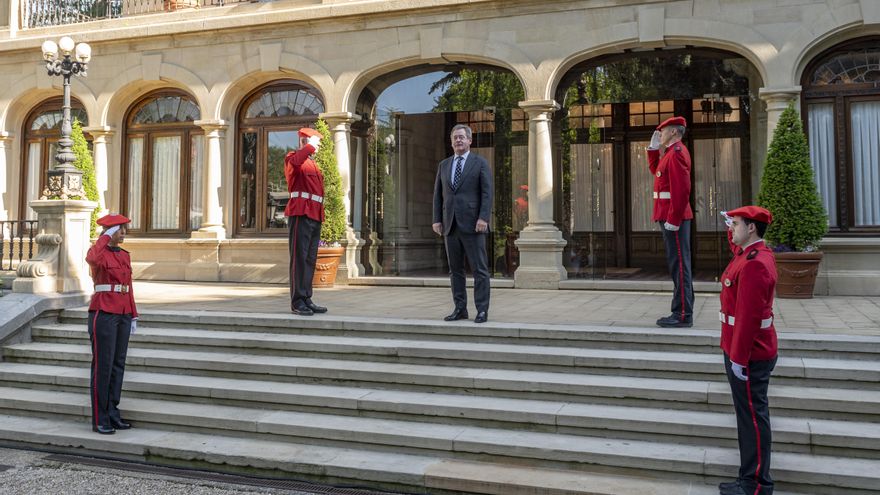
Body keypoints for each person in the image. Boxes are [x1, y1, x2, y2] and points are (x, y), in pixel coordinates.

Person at [717, 206, 778, 495]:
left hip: (749, 353)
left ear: (751, 227)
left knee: (753, 419)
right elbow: (737, 246)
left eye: (736, 223)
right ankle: (747, 477)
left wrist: (738, 359)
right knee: (747, 418)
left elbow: (749, 317)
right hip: (738, 348)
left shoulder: (755, 263)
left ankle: (755, 484)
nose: (731, 228)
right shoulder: (749, 255)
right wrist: (732, 224)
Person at [432, 124, 493, 323]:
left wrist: (483, 218)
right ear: (451, 142)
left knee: (479, 270)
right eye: (455, 138)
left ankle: (482, 310)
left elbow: (487, 193)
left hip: (475, 225)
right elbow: (437, 196)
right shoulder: (444, 165)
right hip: (450, 225)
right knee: (455, 270)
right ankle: (460, 309)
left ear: (469, 140)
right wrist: (437, 219)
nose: (458, 140)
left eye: (461, 137)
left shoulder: (480, 163)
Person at [85, 213, 137, 435]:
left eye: (124, 229)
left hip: (123, 312)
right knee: (103, 367)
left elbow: (128, 286)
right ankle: (100, 418)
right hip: (103, 312)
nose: (123, 233)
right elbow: (92, 260)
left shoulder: (124, 255)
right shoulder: (99, 252)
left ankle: (113, 412)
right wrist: (104, 238)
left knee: (118, 365)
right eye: (119, 229)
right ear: (109, 232)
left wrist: (133, 314)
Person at [647, 116, 695, 328]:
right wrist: (652, 149)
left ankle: (683, 314)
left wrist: (674, 219)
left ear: (674, 132)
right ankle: (681, 310)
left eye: (663, 131)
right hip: (668, 215)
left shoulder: (676, 153)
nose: (660, 134)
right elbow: (656, 172)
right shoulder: (670, 153)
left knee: (680, 265)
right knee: (677, 264)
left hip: (673, 217)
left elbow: (682, 189)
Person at [285, 127, 328, 316]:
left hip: (314, 214)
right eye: (315, 142)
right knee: (299, 259)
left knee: (310, 259)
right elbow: (295, 162)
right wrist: (309, 147)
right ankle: (297, 301)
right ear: (305, 141)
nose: (317, 146)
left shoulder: (313, 164)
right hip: (300, 213)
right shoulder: (294, 158)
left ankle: (306, 298)